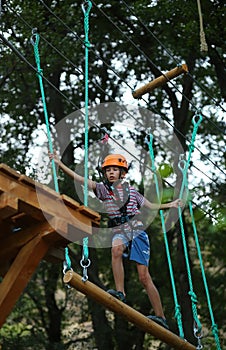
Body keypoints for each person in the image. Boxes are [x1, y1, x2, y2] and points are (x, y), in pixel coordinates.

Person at [49, 152, 182, 329]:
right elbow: (80, 179)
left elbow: (150, 205)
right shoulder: (103, 190)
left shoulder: (132, 192)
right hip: (119, 230)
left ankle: (161, 316)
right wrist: (59, 164)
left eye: (115, 170)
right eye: (108, 170)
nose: (111, 173)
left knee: (144, 277)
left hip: (137, 231)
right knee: (116, 250)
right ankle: (120, 292)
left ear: (122, 173)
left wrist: (171, 205)